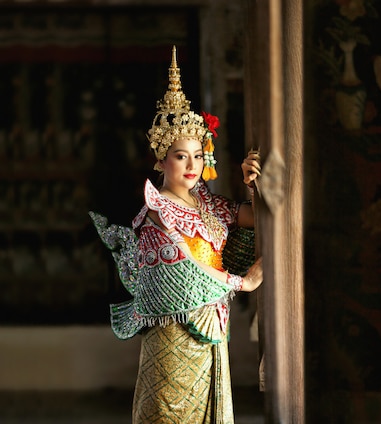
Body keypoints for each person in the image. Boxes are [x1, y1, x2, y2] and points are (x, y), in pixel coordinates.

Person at [89, 46, 262, 423]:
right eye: (181, 156)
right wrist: (242, 282)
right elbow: (181, 271)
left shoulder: (209, 205)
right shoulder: (157, 210)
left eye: (199, 156)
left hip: (212, 333)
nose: (192, 165)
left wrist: (252, 186)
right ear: (161, 157)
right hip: (172, 338)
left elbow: (254, 219)